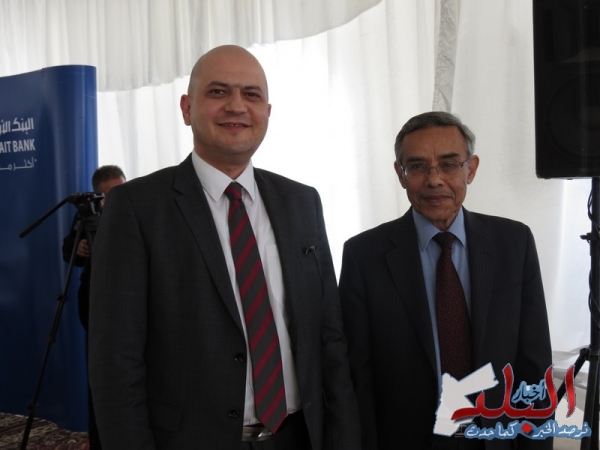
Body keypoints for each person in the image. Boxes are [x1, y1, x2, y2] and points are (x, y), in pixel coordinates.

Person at [88, 45, 360, 450]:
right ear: (187, 109)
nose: (236, 106)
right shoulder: (136, 207)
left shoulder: (302, 202)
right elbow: (115, 361)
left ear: (267, 111)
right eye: (218, 92)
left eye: (251, 94)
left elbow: (329, 338)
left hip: (299, 437)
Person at [339, 111, 552, 449]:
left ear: (472, 169)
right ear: (400, 174)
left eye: (449, 164)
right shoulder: (364, 255)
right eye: (417, 166)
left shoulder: (514, 243)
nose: (434, 180)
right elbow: (357, 378)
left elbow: (534, 367)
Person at [62, 164, 126, 450]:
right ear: (98, 196)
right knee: (99, 383)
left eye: (122, 189)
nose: (118, 198)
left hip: (135, 309)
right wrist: (78, 249)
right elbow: (68, 251)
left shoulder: (139, 206)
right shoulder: (85, 215)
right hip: (96, 308)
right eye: (111, 195)